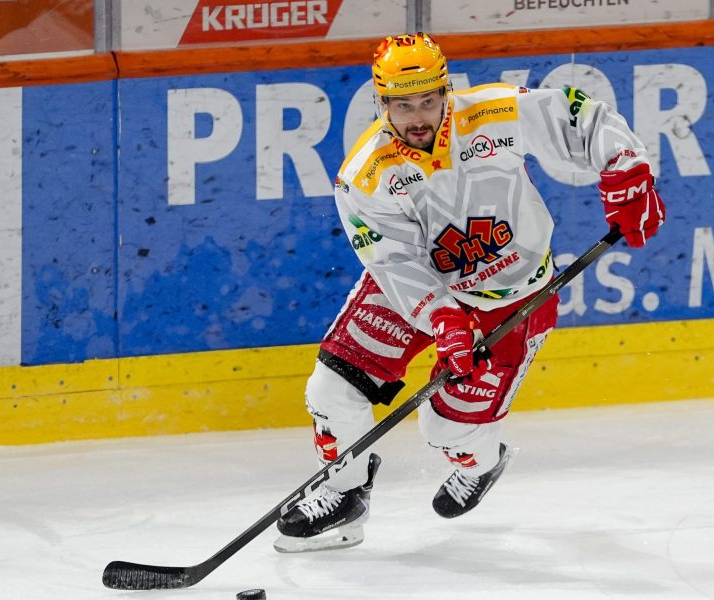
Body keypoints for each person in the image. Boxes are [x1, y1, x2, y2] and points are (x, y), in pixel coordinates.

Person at [274, 32, 665, 552]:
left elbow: (582, 117)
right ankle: (344, 492)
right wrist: (440, 315)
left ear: (446, 91)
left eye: (427, 101)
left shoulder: (492, 113)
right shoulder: (363, 177)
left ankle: (482, 462)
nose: (417, 117)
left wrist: (628, 169)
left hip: (512, 296)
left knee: (445, 431)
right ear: (382, 102)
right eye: (403, 105)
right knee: (331, 389)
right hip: (418, 287)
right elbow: (391, 261)